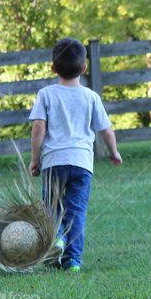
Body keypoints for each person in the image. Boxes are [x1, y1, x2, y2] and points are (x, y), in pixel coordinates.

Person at [29, 38, 122, 272]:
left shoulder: (46, 94)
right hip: (82, 164)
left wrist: (35, 159)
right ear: (84, 68)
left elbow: (39, 127)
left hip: (54, 162)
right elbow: (106, 130)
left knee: (52, 208)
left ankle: (57, 238)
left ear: (52, 68)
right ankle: (72, 261)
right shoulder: (91, 97)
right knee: (76, 211)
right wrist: (114, 152)